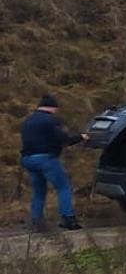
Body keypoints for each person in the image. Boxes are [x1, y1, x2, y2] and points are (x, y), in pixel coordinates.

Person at [19, 94, 85, 232]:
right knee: (63, 186)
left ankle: (36, 222)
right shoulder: (49, 120)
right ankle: (68, 218)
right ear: (52, 108)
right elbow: (63, 138)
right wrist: (81, 137)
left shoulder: (27, 121)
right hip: (45, 158)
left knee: (39, 191)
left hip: (28, 159)